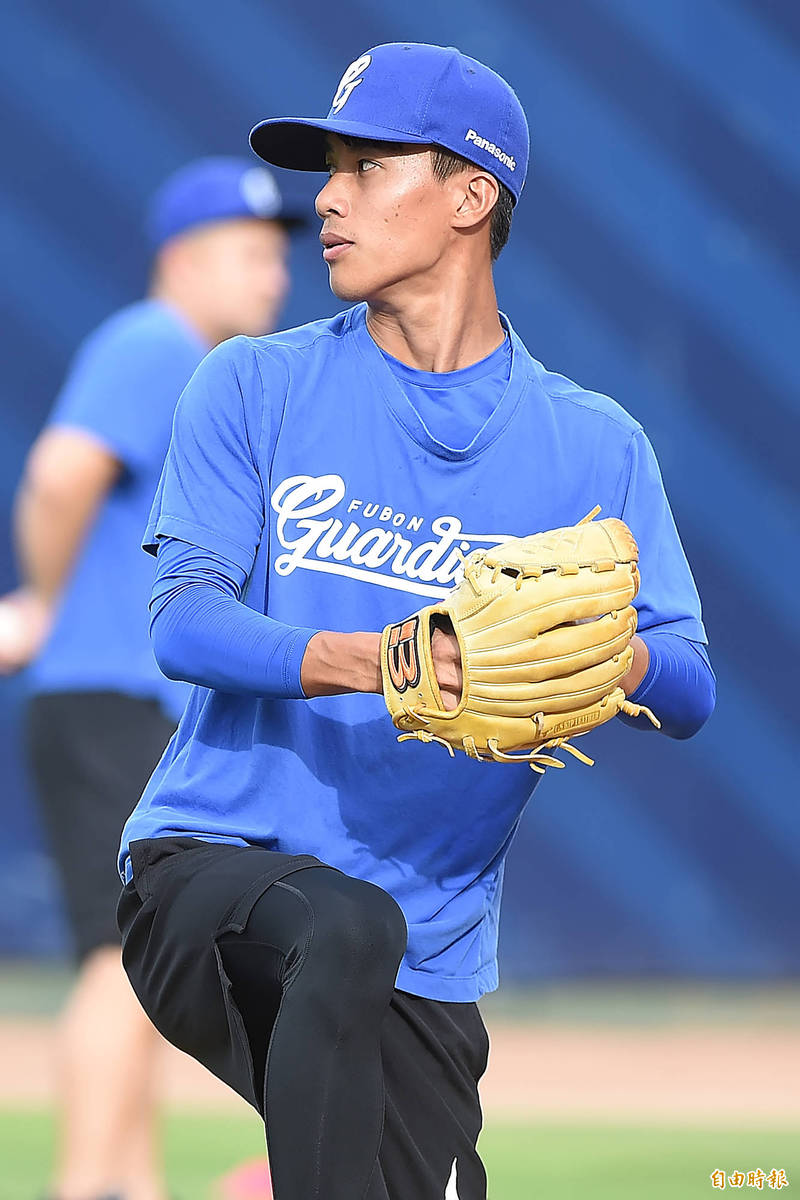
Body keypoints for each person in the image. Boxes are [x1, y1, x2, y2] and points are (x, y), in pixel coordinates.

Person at [116, 44, 716, 1200]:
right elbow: (183, 623)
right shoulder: (251, 383)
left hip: (424, 952)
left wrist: (608, 652)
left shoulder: (591, 447)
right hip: (213, 873)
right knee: (344, 928)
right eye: (327, 169)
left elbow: (685, 684)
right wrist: (378, 660)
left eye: (366, 166)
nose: (326, 199)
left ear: (470, 196)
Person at [0, 157, 308, 1200]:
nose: (273, 275)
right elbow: (59, 475)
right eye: (247, 252)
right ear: (180, 258)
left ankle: (133, 1186)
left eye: (276, 256)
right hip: (107, 694)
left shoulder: (206, 372)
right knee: (120, 956)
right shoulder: (152, 343)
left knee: (150, 956)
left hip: (135, 703)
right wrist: (43, 603)